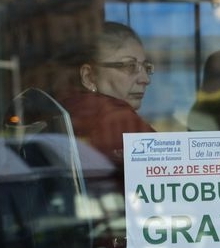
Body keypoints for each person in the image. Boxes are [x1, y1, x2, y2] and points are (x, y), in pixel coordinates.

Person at [57, 21, 155, 166]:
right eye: (129, 66)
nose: (145, 80)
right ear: (89, 77)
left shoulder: (62, 113)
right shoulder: (118, 120)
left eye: (146, 67)